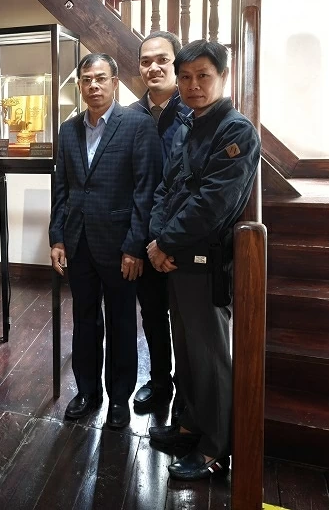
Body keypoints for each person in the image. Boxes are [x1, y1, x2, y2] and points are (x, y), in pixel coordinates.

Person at [146, 40, 260, 480]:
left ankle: (215, 449)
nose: (194, 85)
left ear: (222, 77)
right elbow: (165, 189)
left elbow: (212, 205)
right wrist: (157, 240)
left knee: (211, 356)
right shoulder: (189, 125)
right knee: (187, 353)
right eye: (187, 77)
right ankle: (190, 426)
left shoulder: (236, 131)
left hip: (204, 261)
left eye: (203, 76)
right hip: (175, 257)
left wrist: (165, 244)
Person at [49, 53, 162, 429]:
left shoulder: (136, 124)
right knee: (84, 321)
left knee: (120, 322)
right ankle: (87, 392)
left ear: (115, 82)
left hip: (119, 247)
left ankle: (118, 399)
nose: (93, 86)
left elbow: (146, 189)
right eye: (86, 80)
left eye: (100, 78)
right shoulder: (68, 130)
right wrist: (57, 238)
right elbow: (61, 188)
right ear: (79, 85)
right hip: (78, 242)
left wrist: (134, 246)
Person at [129, 31, 190, 415]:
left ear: (176, 64)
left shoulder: (194, 112)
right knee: (151, 313)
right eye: (146, 61)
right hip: (143, 238)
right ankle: (160, 380)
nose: (153, 67)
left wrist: (169, 240)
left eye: (162, 59)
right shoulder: (130, 117)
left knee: (185, 321)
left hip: (183, 240)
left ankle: (188, 388)